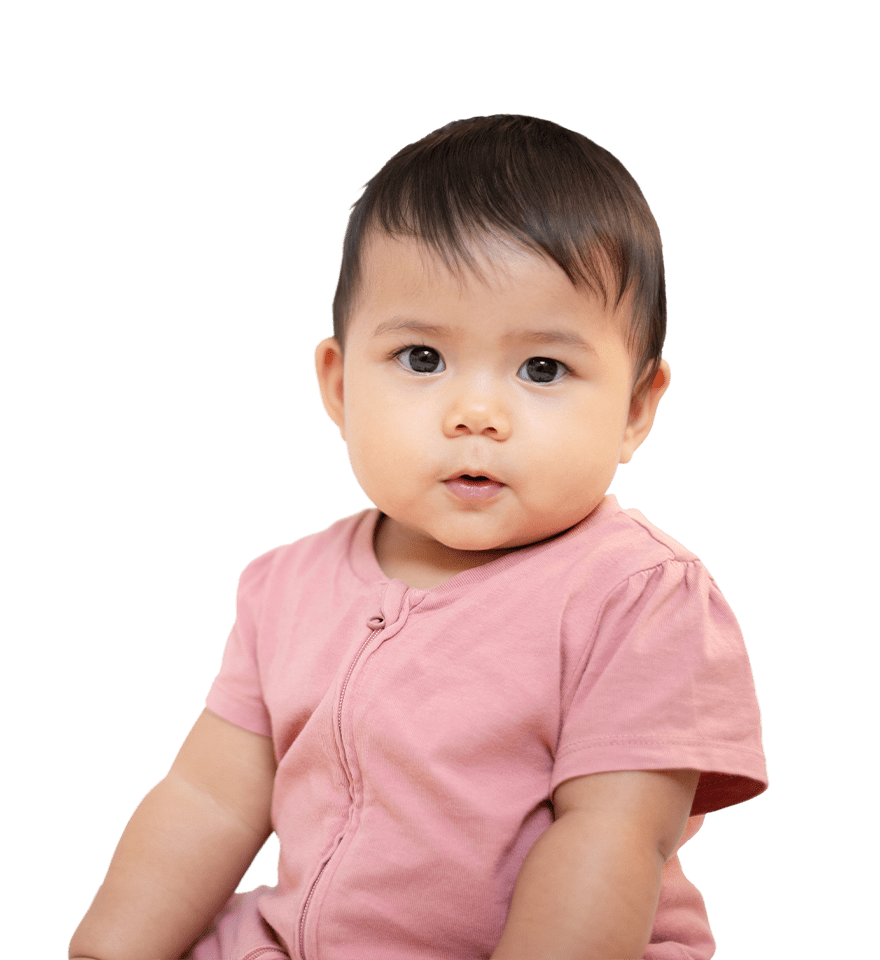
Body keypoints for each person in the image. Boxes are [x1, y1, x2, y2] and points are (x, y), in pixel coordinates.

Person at [69, 114, 768, 960]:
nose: (475, 414)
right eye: (422, 358)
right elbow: (209, 799)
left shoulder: (636, 596)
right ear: (337, 382)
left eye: (542, 370)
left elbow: (611, 836)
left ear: (634, 408)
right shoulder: (284, 585)